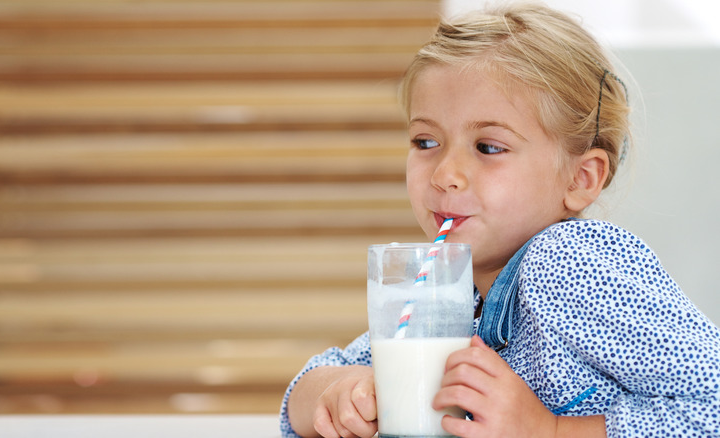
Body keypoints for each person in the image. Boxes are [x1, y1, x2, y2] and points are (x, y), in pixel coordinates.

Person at [279, 2, 720, 437]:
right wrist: (339, 392)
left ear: (580, 178)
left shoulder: (568, 265)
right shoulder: (450, 290)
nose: (445, 175)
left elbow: (712, 405)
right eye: (425, 140)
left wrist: (549, 430)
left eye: (488, 147)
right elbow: (304, 392)